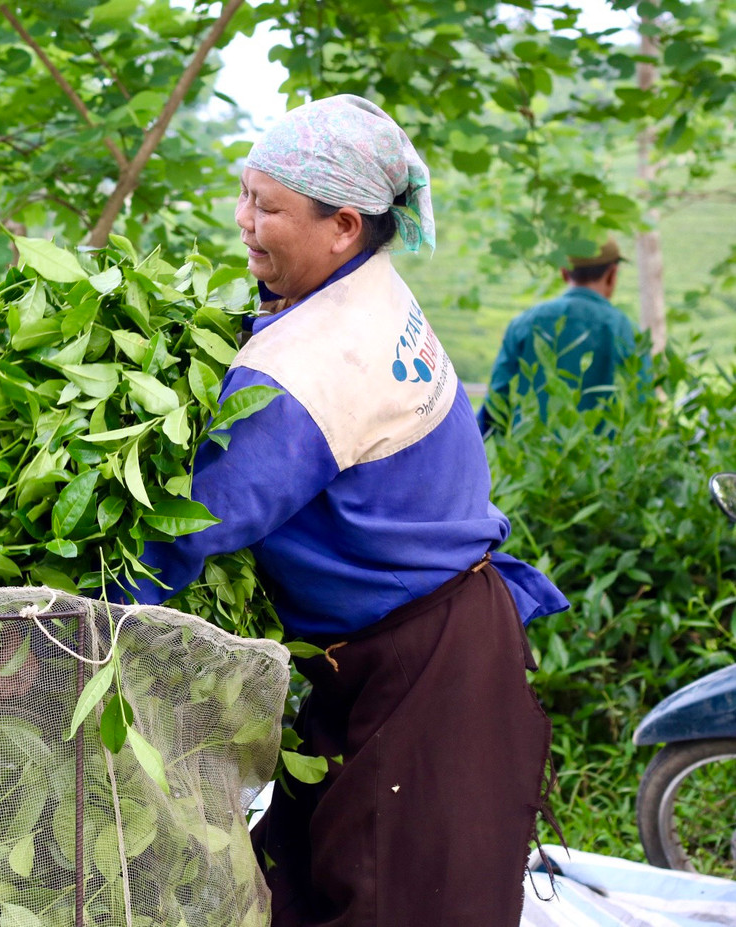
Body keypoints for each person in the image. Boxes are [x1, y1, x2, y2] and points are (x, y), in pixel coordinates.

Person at [113, 95, 569, 926]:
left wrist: (70, 622)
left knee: (400, 899)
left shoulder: (305, 369)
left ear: (344, 227)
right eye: (244, 195)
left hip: (426, 666)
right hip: (407, 642)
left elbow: (190, 528)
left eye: (268, 207)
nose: (244, 221)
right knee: (299, 878)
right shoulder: (366, 288)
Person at [477, 239, 644, 434]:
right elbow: (641, 404)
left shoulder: (524, 324)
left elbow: (496, 403)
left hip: (530, 451)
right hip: (604, 453)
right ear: (612, 274)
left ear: (564, 272)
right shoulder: (627, 331)